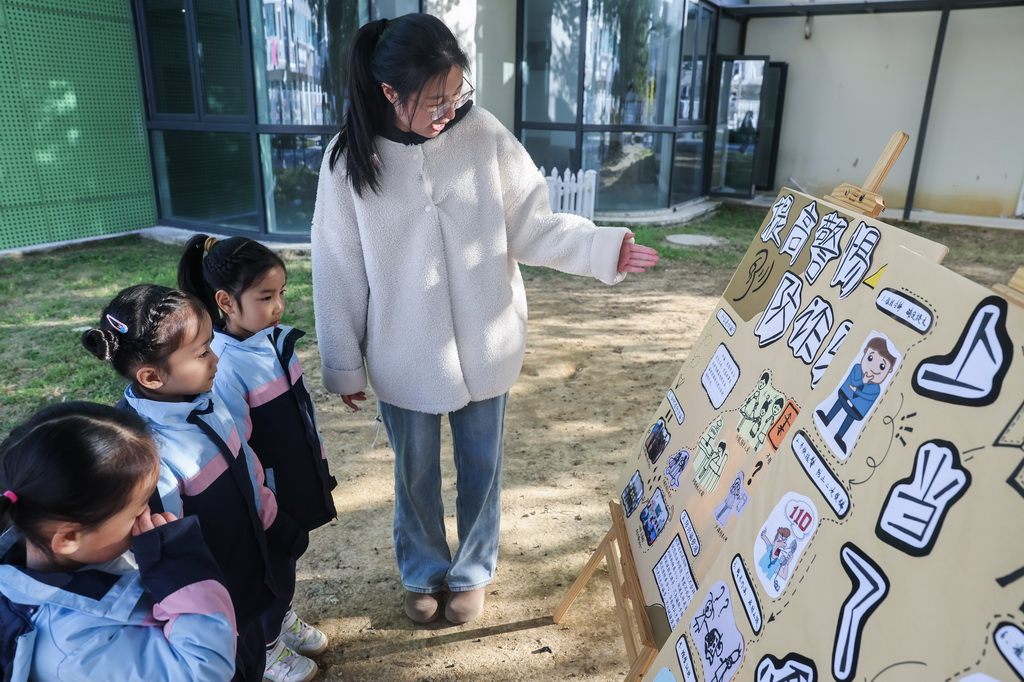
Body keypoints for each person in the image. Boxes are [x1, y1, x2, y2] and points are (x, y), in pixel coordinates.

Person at [311, 14, 659, 626]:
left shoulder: (485, 136)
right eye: (436, 99)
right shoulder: (347, 161)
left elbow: (535, 223)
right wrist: (343, 361)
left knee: (482, 465)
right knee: (413, 474)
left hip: (487, 341)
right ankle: (422, 570)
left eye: (457, 94)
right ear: (391, 92)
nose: (450, 109)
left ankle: (472, 571)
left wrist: (606, 248)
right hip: (403, 353)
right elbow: (337, 268)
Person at [81, 285, 313, 682]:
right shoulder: (147, 453)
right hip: (216, 580)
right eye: (203, 352)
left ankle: (273, 628)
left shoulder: (201, 394)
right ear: (152, 376)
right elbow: (171, 545)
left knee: (268, 593)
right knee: (243, 648)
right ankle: (263, 652)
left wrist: (270, 513)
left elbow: (244, 456)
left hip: (253, 541)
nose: (215, 358)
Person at [179, 234, 341, 662]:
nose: (279, 306)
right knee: (269, 571)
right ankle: (266, 649)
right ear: (226, 302)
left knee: (286, 566)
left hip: (292, 483)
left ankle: (280, 618)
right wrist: (265, 504)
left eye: (282, 293)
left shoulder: (273, 340)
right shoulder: (225, 365)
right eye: (266, 296)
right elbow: (236, 450)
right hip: (263, 498)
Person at [0, 401, 236, 681]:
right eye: (138, 510)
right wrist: (185, 576)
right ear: (68, 539)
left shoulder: (78, 546)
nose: (148, 514)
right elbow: (204, 671)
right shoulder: (75, 651)